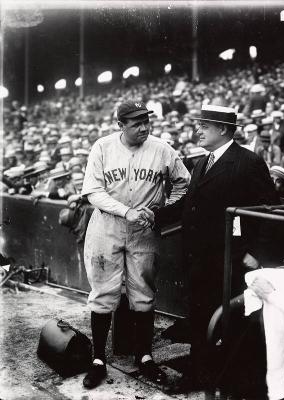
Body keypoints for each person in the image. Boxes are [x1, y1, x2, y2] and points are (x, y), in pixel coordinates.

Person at [148, 104, 278, 391]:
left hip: (228, 261)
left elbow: (269, 211)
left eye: (204, 126)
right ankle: (198, 376)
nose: (198, 130)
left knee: (226, 323)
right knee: (199, 320)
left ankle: (226, 382)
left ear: (223, 129)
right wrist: (157, 215)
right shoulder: (202, 163)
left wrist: (256, 253)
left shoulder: (248, 162)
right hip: (199, 259)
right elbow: (189, 204)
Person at [81, 100, 190, 389]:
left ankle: (144, 357)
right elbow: (92, 190)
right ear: (120, 125)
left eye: (146, 121)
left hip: (144, 229)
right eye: (136, 123)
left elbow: (184, 184)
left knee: (143, 294)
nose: (144, 127)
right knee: (103, 294)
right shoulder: (102, 147)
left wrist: (164, 210)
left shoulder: (162, 148)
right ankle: (98, 360)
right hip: (107, 226)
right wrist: (125, 210)